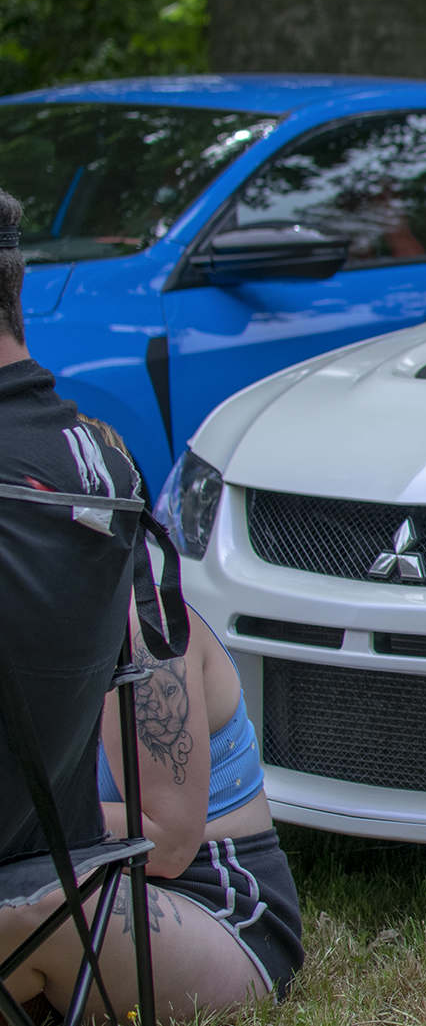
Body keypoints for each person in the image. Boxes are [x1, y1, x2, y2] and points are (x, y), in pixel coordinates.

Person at [0, 187, 305, 1019]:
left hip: (201, 903)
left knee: (30, 901)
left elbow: (165, 837)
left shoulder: (101, 534)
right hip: (39, 879)